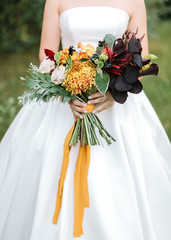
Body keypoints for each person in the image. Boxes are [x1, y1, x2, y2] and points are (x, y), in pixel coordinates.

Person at [0, 0, 171, 239]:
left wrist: (115, 91)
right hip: (65, 97)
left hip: (113, 103)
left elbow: (138, 56)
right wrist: (66, 88)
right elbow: (45, 52)